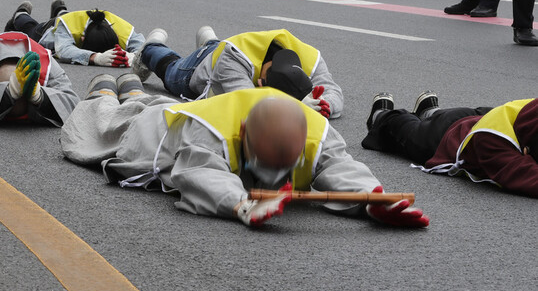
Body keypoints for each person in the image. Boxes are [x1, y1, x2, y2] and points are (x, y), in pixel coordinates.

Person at [61, 80, 427, 228]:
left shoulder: (315, 130)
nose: (270, 179)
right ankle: (107, 86)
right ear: (244, 136)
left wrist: (372, 200)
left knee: (142, 97)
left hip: (183, 113)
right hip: (153, 130)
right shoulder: (207, 133)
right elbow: (201, 174)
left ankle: (131, 87)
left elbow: (340, 166)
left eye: (281, 168)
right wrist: (242, 204)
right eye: (262, 165)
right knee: (108, 117)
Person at [129, 27, 340, 118]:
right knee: (171, 71)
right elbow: (249, 104)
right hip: (202, 67)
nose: (257, 83)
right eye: (262, 81)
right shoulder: (234, 60)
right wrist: (296, 109)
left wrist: (322, 105)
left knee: (216, 46)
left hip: (224, 48)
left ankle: (210, 39)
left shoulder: (310, 59)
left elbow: (334, 92)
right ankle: (151, 47)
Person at [362, 91, 538, 197]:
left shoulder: (526, 115)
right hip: (454, 134)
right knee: (409, 134)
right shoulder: (493, 141)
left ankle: (430, 113)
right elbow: (524, 176)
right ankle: (381, 115)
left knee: (441, 119)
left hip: (477, 116)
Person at [4, 0, 145, 67]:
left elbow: (143, 44)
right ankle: (20, 14)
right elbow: (64, 50)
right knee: (30, 29)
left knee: (64, 15)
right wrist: (95, 57)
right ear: (82, 39)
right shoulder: (69, 27)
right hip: (51, 29)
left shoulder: (120, 28)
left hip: (70, 18)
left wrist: (133, 56)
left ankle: (61, 9)